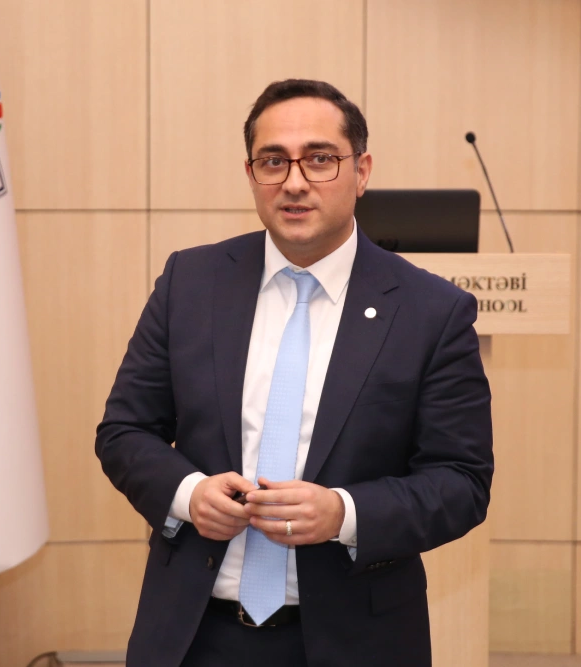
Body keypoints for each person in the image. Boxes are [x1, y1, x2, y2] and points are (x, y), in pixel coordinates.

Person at [96, 78, 493, 667]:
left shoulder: (431, 311)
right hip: (193, 636)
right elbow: (124, 432)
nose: (295, 181)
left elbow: (461, 481)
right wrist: (188, 494)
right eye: (273, 161)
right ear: (251, 173)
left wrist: (344, 513)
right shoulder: (190, 283)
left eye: (320, 159)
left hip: (356, 641)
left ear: (361, 172)